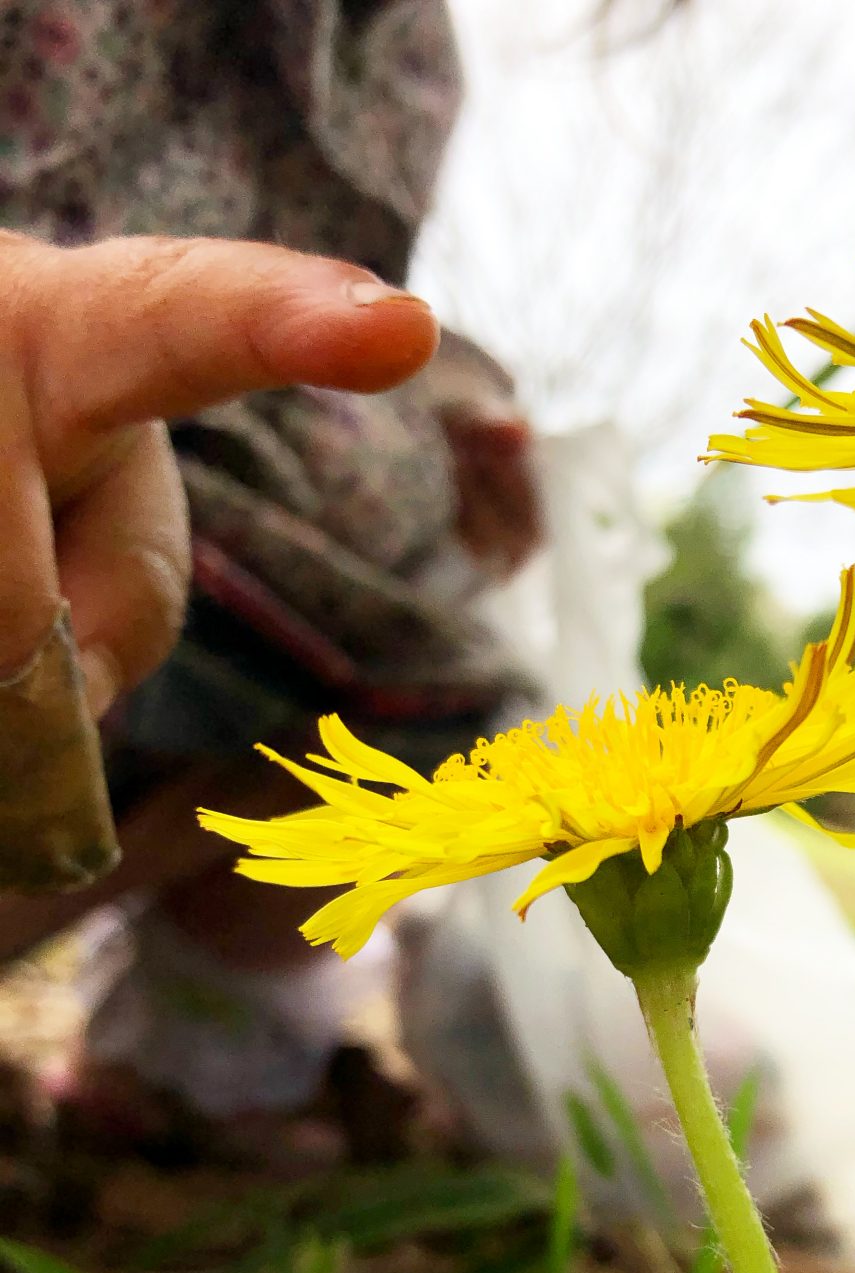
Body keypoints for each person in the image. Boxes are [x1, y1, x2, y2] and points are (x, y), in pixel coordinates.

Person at [0, 1, 543, 1148]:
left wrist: (437, 407)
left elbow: (339, 277)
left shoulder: (405, 53)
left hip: (255, 584)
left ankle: (184, 1071)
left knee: (452, 706)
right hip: (61, 505)